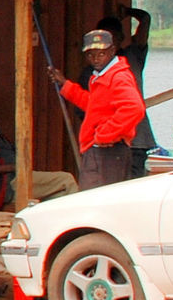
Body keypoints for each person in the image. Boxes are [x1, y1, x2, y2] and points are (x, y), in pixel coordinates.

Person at [48, 30, 145, 190]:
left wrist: (105, 135)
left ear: (112, 51)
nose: (95, 59)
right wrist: (65, 84)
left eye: (101, 54)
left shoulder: (118, 76)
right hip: (102, 150)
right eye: (90, 55)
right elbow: (93, 106)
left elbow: (134, 107)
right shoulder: (102, 76)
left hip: (107, 152)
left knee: (94, 201)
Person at [0, 93, 78, 210]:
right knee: (66, 180)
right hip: (6, 185)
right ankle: (79, 223)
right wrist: (11, 167)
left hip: (16, 178)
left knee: (60, 195)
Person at [83, 6, 156, 178]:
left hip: (137, 140)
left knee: (134, 190)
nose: (110, 44)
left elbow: (145, 19)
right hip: (109, 144)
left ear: (121, 39)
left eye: (113, 38)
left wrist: (127, 12)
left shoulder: (132, 56)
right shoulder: (92, 72)